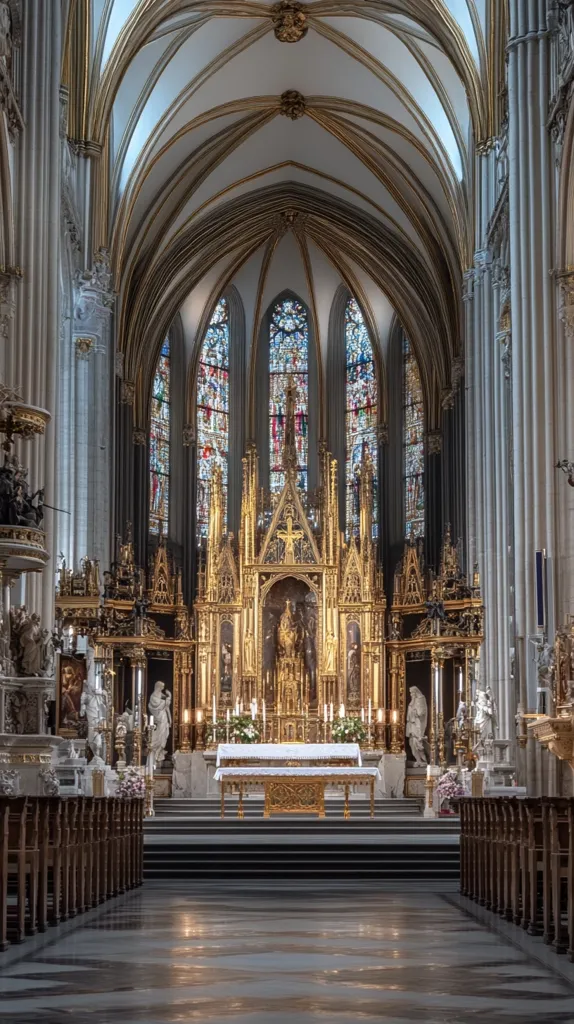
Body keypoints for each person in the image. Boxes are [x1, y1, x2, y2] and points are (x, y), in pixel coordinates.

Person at [148, 681, 172, 768]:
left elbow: (167, 706)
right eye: (162, 687)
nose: (162, 688)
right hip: (160, 718)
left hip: (164, 717)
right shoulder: (153, 697)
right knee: (159, 735)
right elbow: (159, 705)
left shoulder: (161, 695)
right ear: (158, 687)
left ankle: (159, 753)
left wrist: (170, 719)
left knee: (165, 734)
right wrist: (169, 697)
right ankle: (157, 754)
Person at [405, 686, 428, 766]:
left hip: (417, 724)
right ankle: (418, 760)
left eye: (412, 693)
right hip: (411, 725)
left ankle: (423, 760)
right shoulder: (412, 702)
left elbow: (421, 713)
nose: (411, 695)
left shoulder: (420, 699)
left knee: (417, 742)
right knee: (412, 742)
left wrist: (416, 712)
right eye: (410, 693)